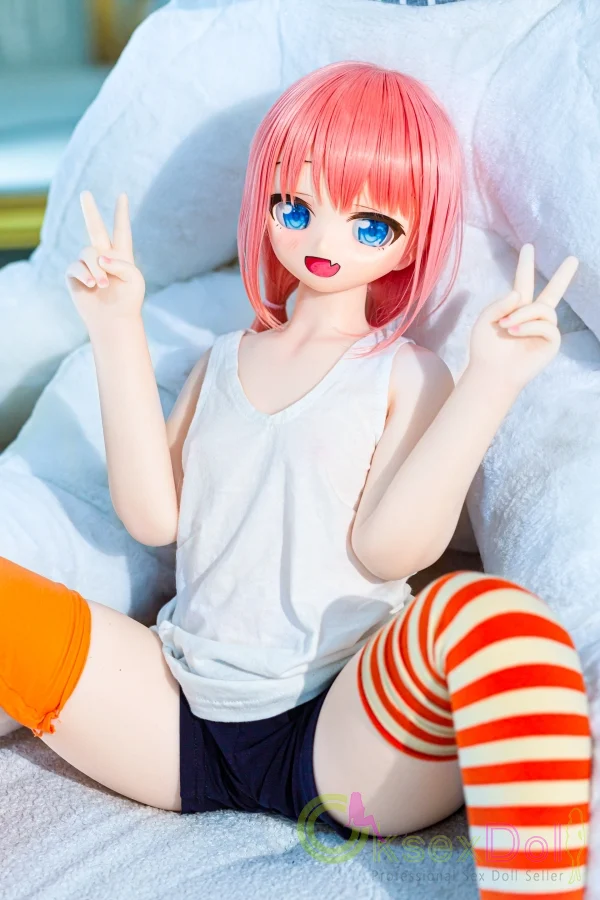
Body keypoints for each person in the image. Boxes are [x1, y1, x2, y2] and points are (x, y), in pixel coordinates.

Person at [0, 62, 591, 897]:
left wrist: (493, 379)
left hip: (344, 742)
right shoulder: (219, 360)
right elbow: (154, 517)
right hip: (175, 721)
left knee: (505, 629)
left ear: (415, 237)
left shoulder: (405, 372)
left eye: (370, 222)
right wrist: (115, 328)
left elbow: (392, 551)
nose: (325, 238)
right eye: (295, 206)